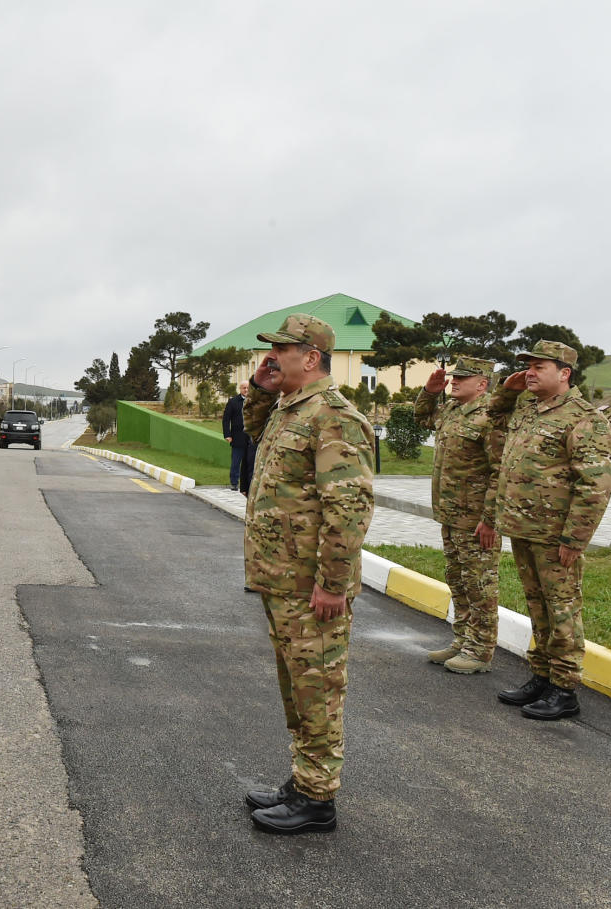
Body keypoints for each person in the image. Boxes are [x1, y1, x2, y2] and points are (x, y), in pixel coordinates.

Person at [239, 314, 374, 834]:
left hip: (310, 586)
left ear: (311, 357)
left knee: (318, 687)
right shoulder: (290, 409)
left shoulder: (334, 417)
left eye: (282, 350)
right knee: (297, 686)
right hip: (281, 578)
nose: (273, 358)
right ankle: (304, 780)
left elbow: (348, 507)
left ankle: (318, 799)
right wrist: (258, 385)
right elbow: (253, 431)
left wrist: (333, 582)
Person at [486, 340, 611, 720]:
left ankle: (564, 687)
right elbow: (492, 419)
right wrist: (505, 391)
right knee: (537, 606)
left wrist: (575, 538)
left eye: (539, 366)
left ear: (564, 373)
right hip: (524, 527)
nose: (529, 372)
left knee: (562, 610)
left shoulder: (584, 419)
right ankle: (541, 676)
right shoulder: (529, 409)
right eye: (527, 365)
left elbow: (595, 486)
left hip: (555, 536)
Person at [413, 357, 504, 674]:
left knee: (480, 585)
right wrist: (429, 391)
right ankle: (463, 639)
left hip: (476, 519)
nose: (455, 381)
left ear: (482, 384)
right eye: (454, 376)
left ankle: (480, 650)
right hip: (451, 514)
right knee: (458, 580)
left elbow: (499, 472)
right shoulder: (452, 410)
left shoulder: (491, 417)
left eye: (462, 378)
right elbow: (422, 418)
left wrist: (490, 519)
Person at [222, 380, 256, 494]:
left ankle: (248, 483)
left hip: (251, 437)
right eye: (243, 388)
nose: (246, 390)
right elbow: (226, 419)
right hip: (237, 437)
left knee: (250, 462)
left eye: (247, 388)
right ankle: (234, 482)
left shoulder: (255, 401)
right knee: (236, 462)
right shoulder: (233, 402)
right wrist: (227, 435)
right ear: (240, 389)